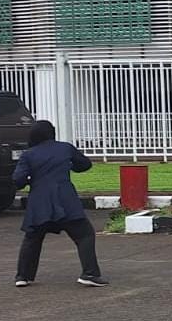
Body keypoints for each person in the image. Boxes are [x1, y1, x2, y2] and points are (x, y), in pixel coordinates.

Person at [12, 120, 106, 287]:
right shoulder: (65, 148)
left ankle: (22, 276)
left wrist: (31, 180)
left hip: (40, 201)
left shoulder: (28, 154)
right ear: (52, 133)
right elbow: (85, 164)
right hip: (64, 199)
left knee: (33, 238)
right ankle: (90, 273)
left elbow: (18, 180)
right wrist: (70, 166)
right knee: (84, 234)